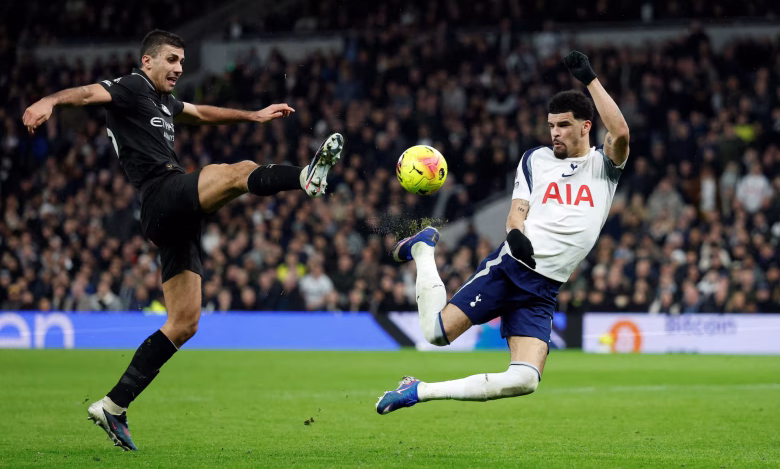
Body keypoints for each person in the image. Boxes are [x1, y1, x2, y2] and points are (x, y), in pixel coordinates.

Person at [22, 30, 344, 450]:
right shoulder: (132, 86)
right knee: (235, 171)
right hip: (159, 196)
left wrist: (252, 116)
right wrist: (48, 101)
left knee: (184, 323)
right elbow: (85, 95)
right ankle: (304, 176)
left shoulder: (162, 102)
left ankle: (113, 406)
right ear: (147, 62)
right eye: (171, 60)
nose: (177, 68)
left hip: (174, 219)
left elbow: (200, 113)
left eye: (181, 62)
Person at [376, 51, 629, 414]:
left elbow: (620, 132)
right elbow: (517, 213)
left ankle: (419, 390)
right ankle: (423, 250)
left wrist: (590, 79)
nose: (555, 133)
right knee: (435, 334)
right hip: (511, 269)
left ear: (586, 126)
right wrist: (515, 235)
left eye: (564, 125)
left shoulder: (604, 167)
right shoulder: (535, 159)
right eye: (551, 125)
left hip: (545, 288)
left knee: (525, 380)